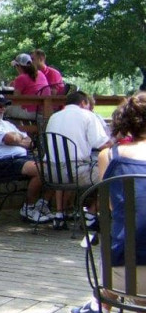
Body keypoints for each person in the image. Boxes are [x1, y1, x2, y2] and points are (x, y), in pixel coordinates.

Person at [68, 93, 146, 313]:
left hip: (126, 274)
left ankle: (98, 305)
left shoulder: (109, 156)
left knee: (131, 248)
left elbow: (114, 208)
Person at [0, 92, 52, 223]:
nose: (3, 109)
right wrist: (18, 139)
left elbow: (30, 142)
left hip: (21, 159)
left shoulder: (7, 124)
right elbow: (9, 138)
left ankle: (42, 205)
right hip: (2, 164)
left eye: (4, 106)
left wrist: (17, 139)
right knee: (42, 170)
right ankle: (28, 208)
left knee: (57, 168)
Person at [44, 90, 112, 229]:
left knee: (67, 163)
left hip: (50, 173)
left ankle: (59, 214)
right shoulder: (87, 115)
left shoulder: (54, 117)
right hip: (75, 174)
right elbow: (101, 144)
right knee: (113, 173)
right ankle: (91, 215)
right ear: (83, 103)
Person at [6, 53, 50, 120]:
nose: (16, 69)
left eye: (15, 66)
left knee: (2, 108)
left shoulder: (21, 78)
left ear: (19, 66)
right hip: (42, 112)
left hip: (29, 112)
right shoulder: (40, 74)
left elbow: (16, 99)